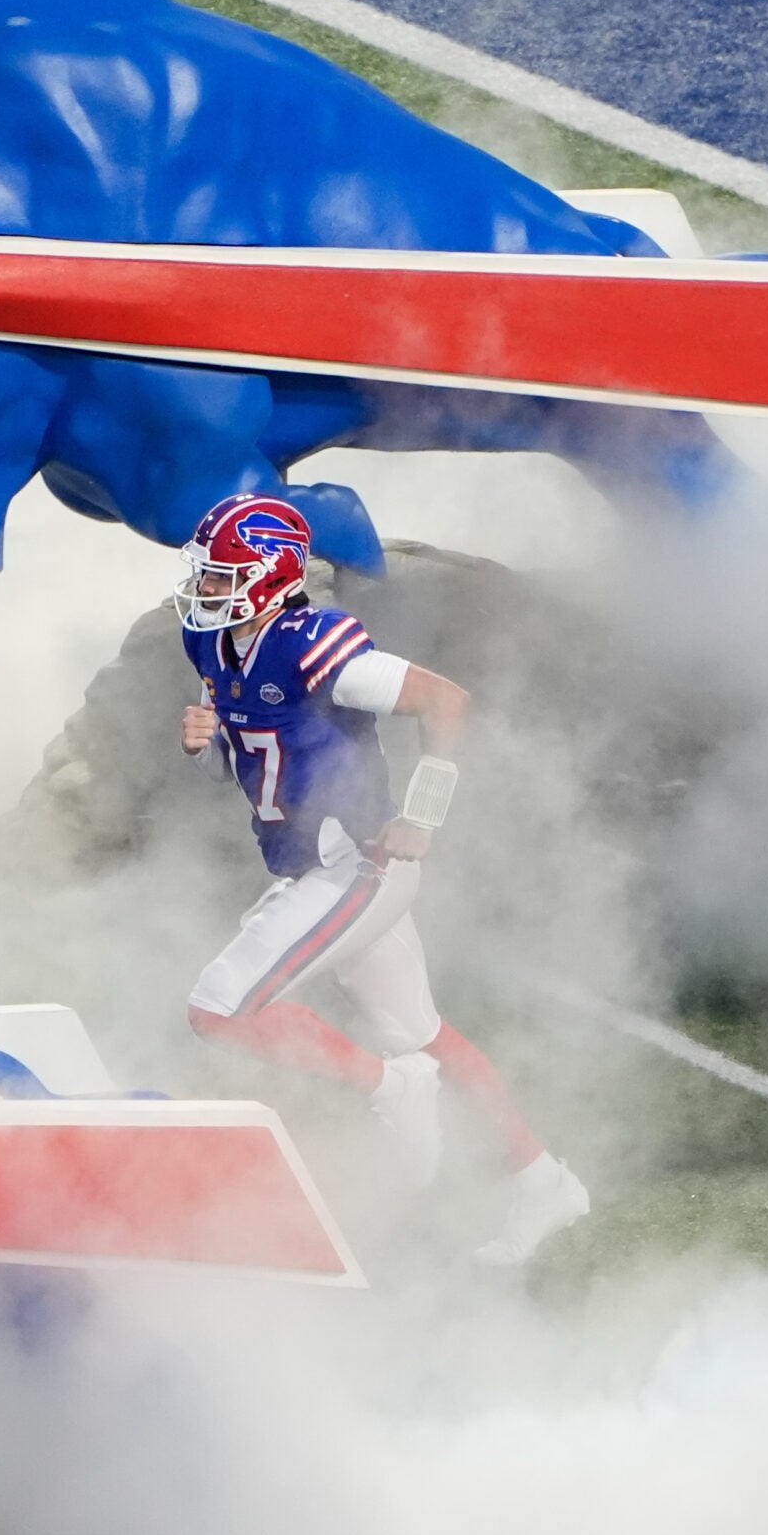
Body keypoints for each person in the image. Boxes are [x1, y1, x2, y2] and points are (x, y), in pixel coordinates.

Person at [170, 493, 588, 1265]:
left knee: (219, 1008)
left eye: (225, 576)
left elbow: (444, 701)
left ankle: (390, 1089)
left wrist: (425, 815)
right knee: (427, 1036)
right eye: (207, 575)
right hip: (321, 867)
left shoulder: (316, 644)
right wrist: (204, 742)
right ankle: (543, 1183)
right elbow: (248, 755)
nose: (207, 591)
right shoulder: (217, 647)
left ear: (271, 578)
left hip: (354, 866)